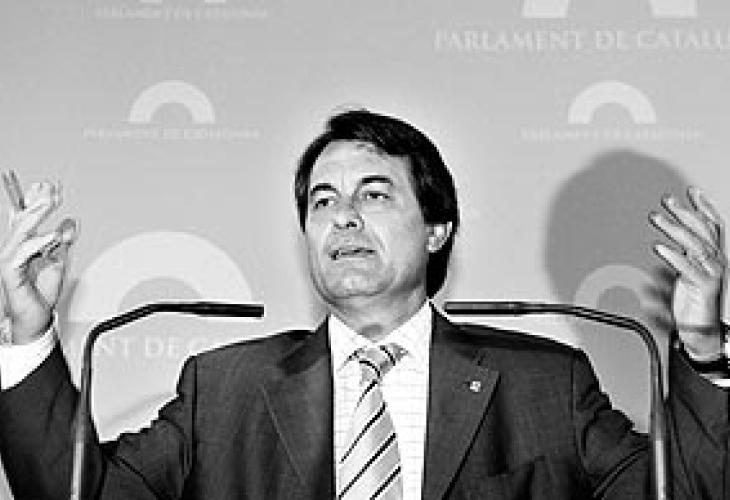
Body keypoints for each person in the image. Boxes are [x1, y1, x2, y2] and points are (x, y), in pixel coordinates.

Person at [0, 109, 727, 499]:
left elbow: (684, 494)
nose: (343, 217)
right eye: (323, 202)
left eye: (373, 195)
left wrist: (700, 344)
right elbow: (80, 496)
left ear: (437, 228)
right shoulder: (225, 389)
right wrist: (30, 335)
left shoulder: (544, 383)